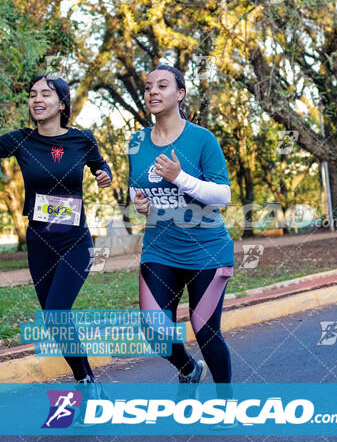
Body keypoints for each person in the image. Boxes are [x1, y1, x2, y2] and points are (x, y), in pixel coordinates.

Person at [0, 75, 112, 398]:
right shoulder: (21, 140)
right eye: (33, 94)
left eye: (45, 94)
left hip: (75, 240)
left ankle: (88, 385)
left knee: (58, 310)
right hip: (39, 241)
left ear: (62, 104)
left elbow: (101, 167)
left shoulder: (82, 139)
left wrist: (105, 175)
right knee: (53, 318)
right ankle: (88, 382)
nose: (37, 99)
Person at [128, 65, 234, 393]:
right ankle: (189, 368)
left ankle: (225, 399)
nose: (153, 92)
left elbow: (223, 195)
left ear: (180, 94)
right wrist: (139, 203)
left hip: (207, 250)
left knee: (205, 330)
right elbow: (137, 188)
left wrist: (180, 178)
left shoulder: (202, 139)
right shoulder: (137, 141)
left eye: (162, 85)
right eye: (148, 87)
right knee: (155, 330)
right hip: (160, 248)